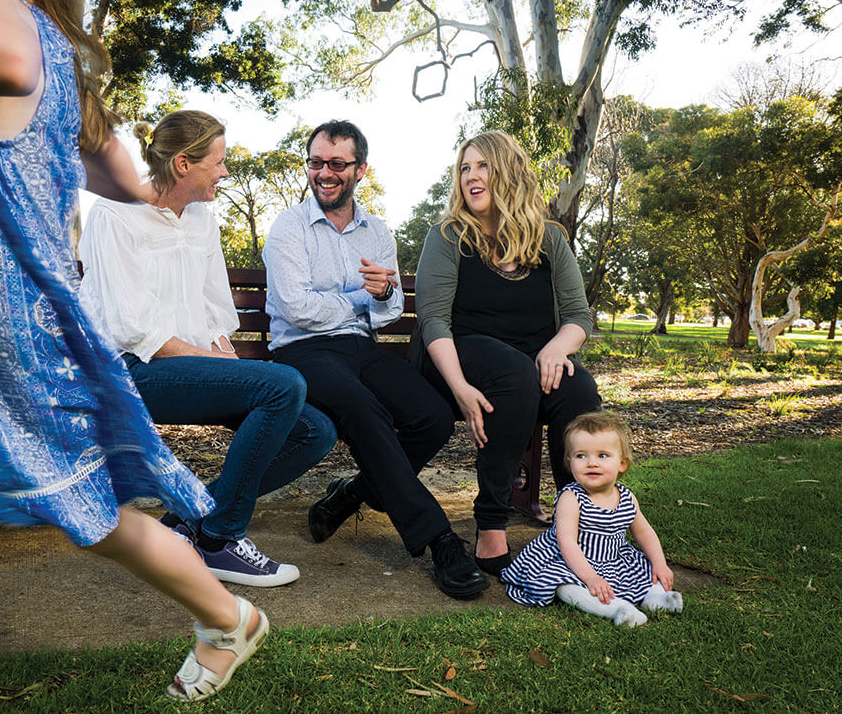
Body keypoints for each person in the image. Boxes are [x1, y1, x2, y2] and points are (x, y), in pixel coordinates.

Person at [0, 0, 265, 700]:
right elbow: (122, 178)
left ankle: (227, 614)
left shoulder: (7, 26)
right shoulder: (47, 46)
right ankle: (227, 616)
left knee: (91, 512)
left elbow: (7, 62)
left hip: (4, 337)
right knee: (91, 512)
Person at [78, 109, 336, 588]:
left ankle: (185, 525)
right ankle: (220, 538)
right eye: (217, 162)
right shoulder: (113, 214)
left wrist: (229, 364)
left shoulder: (201, 219)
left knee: (315, 431)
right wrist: (216, 366)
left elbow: (216, 309)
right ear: (182, 165)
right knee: (285, 385)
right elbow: (130, 326)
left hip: (186, 368)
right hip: (130, 371)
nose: (224, 171)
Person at [262, 120, 489, 600]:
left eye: (337, 164)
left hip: (362, 347)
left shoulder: (377, 232)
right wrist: (356, 299)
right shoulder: (288, 228)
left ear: (360, 170)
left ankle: (349, 496)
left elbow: (389, 310)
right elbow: (297, 309)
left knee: (430, 417)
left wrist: (383, 291)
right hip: (302, 350)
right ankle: (439, 539)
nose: (324, 173)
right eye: (316, 162)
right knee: (365, 410)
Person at [411, 130, 601, 577]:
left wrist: (557, 348)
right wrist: (458, 387)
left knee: (578, 389)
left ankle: (582, 524)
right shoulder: (448, 236)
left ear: (509, 173)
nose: (471, 178)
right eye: (464, 168)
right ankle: (491, 521)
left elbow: (578, 316)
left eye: (483, 167)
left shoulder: (549, 240)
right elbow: (434, 320)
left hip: (527, 360)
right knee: (516, 377)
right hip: (454, 357)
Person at [502, 412, 684, 626]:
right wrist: (590, 578)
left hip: (613, 560)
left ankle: (655, 599)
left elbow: (644, 532)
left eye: (602, 455)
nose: (591, 463)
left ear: (622, 463)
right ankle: (618, 609)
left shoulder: (626, 497)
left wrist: (659, 564)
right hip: (570, 561)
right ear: (570, 463)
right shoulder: (571, 498)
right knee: (564, 586)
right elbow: (567, 542)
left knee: (645, 570)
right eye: (581, 456)